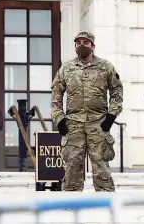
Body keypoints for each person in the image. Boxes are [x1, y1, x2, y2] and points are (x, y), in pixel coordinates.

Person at [51, 31, 123, 192]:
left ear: (93, 46)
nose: (81, 45)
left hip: (99, 123)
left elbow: (117, 92)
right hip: (73, 124)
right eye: (78, 43)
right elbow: (56, 96)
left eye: (85, 42)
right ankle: (71, 207)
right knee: (72, 168)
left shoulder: (106, 67)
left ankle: (106, 206)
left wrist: (112, 116)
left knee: (101, 166)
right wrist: (59, 118)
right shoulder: (66, 69)